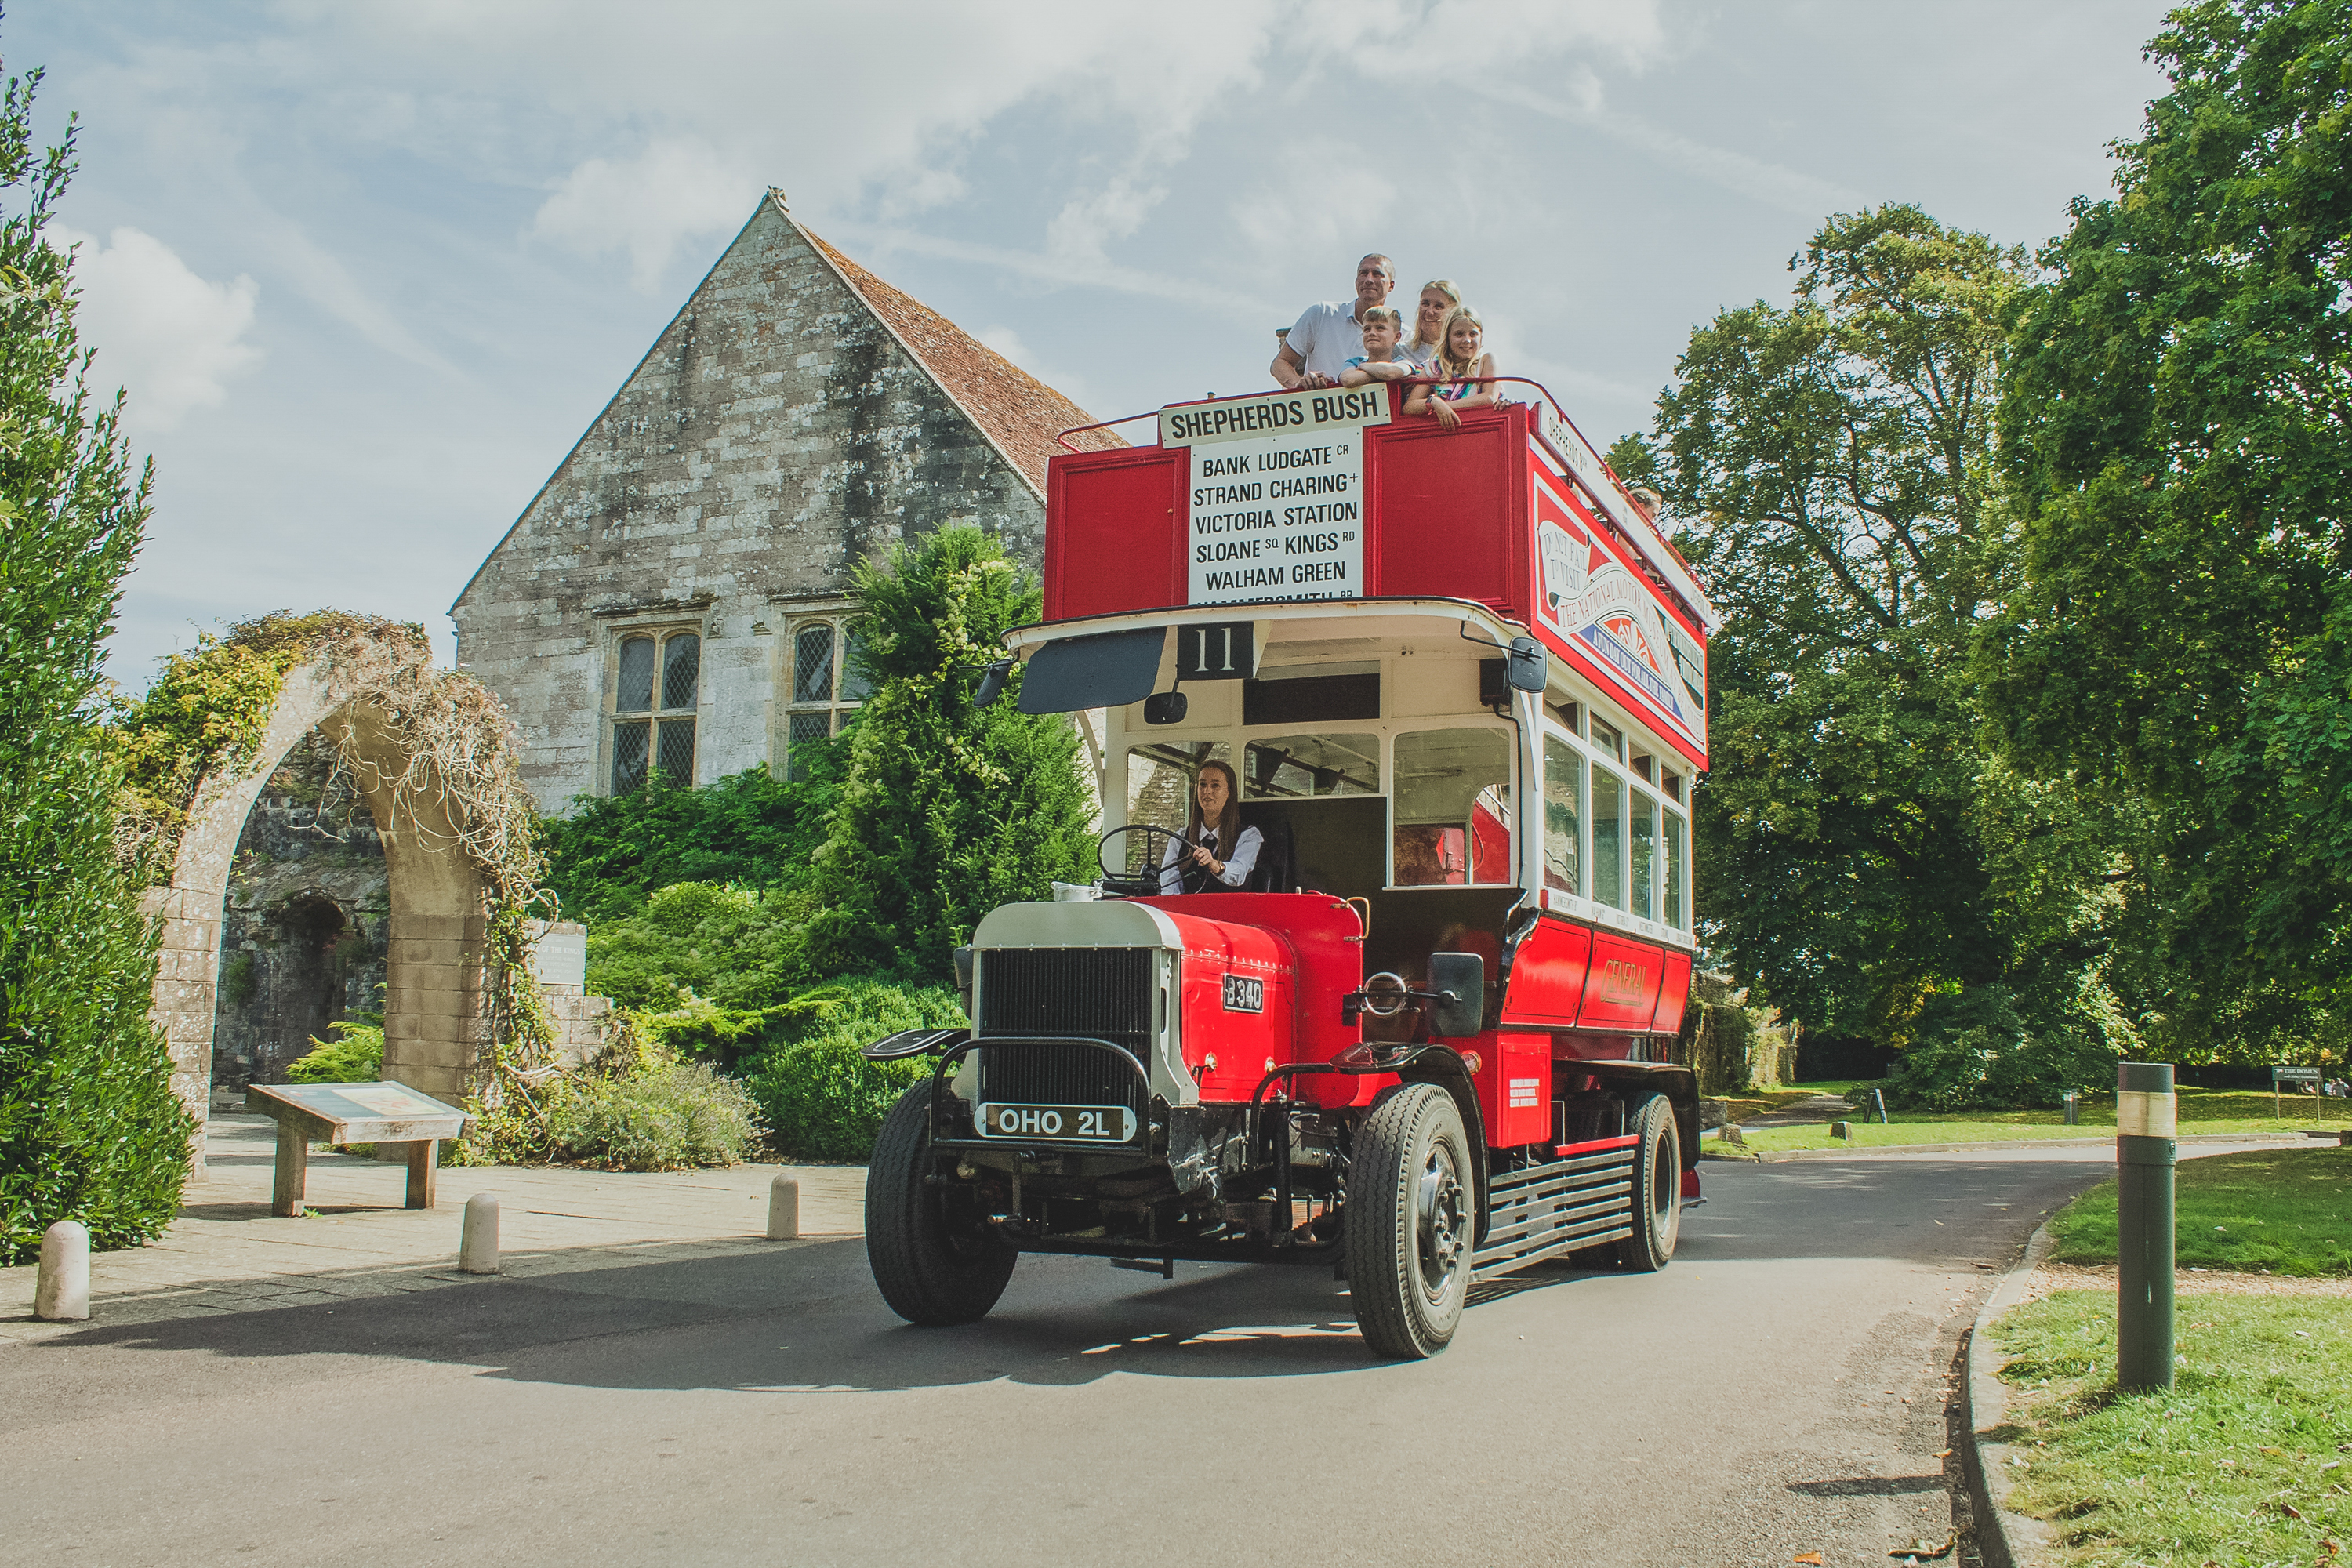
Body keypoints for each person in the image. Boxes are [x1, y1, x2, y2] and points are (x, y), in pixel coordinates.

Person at [1270, 254, 1395, 390]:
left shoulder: (1402, 334)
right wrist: (1298, 385)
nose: (1368, 280)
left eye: (1377, 274)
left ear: (1391, 285)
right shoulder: (1322, 313)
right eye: (1363, 273)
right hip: (1319, 403)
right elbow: (1280, 362)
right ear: (1356, 283)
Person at [1159, 760, 1262, 892]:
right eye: (1202, 784)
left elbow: (1239, 872)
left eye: (1215, 785)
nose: (1207, 791)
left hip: (1231, 906)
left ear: (1228, 792)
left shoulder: (1249, 835)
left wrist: (1215, 866)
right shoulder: (1179, 839)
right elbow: (1169, 885)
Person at [1403, 304, 1498, 430]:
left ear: (1481, 337)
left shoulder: (1486, 361)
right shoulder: (1435, 365)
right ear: (1447, 338)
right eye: (1459, 334)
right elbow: (1409, 407)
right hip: (1442, 432)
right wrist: (1434, 402)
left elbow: (1489, 398)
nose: (1467, 340)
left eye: (1473, 334)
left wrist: (1446, 406)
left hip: (1478, 430)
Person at [1338, 306, 1414, 386]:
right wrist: (1380, 374)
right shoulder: (1354, 363)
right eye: (1367, 329)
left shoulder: (1404, 363)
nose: (1372, 333)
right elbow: (1348, 379)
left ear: (1396, 337)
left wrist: (1363, 367)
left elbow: (1389, 373)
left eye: (1380, 328)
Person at [1399, 279, 1462, 370]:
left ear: (1453, 312)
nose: (1429, 311)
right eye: (1425, 304)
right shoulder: (1398, 351)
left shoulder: (1462, 355)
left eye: (1438, 306)